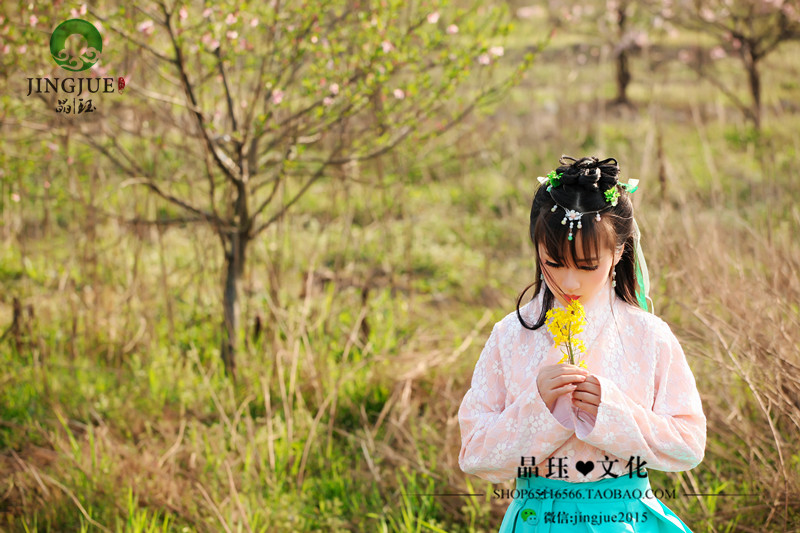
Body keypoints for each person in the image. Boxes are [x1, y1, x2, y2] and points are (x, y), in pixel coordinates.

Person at [457, 155, 706, 532]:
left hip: (625, 520)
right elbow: (475, 454)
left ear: (619, 252)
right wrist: (537, 407)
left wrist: (613, 410)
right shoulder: (510, 336)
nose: (570, 282)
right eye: (553, 262)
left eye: (587, 265)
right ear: (537, 249)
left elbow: (688, 445)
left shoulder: (649, 335)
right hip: (539, 520)